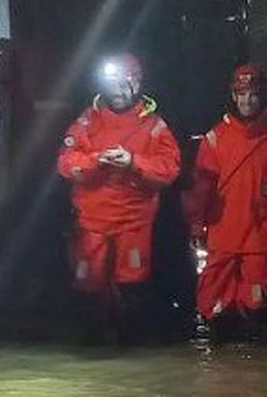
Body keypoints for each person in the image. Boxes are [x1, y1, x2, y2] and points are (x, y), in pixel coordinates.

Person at [56, 53, 181, 344]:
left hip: (133, 223)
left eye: (124, 84)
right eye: (113, 84)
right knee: (88, 287)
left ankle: (130, 349)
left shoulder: (154, 126)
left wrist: (133, 162)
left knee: (132, 289)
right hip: (92, 222)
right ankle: (91, 350)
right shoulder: (87, 121)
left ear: (136, 84)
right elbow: (66, 162)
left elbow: (169, 169)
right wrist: (97, 160)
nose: (118, 91)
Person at [185, 63, 267, 344]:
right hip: (222, 235)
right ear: (233, 96)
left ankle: (258, 378)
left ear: (263, 96)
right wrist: (197, 224)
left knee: (260, 308)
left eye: (253, 94)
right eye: (241, 94)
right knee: (215, 306)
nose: (247, 101)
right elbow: (202, 188)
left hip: (260, 238)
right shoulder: (215, 138)